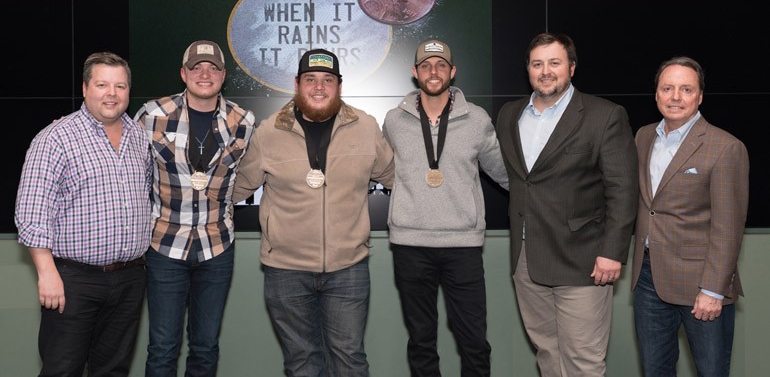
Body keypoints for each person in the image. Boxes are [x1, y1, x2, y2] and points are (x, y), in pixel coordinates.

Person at [232, 48, 395, 376]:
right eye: (310, 79)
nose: (319, 87)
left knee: (349, 359)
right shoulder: (267, 132)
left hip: (348, 268)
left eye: (327, 80)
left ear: (339, 85)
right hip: (285, 270)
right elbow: (236, 188)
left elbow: (395, 176)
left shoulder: (365, 126)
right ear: (297, 83)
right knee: (301, 363)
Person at [495, 32, 638, 376]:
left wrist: (613, 252)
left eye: (554, 63)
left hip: (583, 260)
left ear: (572, 67)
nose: (545, 71)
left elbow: (623, 188)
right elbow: (518, 180)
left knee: (583, 361)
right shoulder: (509, 115)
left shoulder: (603, 115)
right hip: (527, 260)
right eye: (537, 63)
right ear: (528, 69)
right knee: (548, 354)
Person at [15, 52, 152, 376]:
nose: (112, 93)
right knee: (63, 369)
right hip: (73, 280)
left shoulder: (139, 138)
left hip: (130, 278)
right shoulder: (55, 138)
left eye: (120, 86)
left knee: (113, 370)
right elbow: (31, 210)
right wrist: (47, 273)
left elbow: (144, 197)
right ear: (85, 88)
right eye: (102, 84)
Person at [382, 39, 509, 377]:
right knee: (421, 341)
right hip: (410, 244)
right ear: (415, 73)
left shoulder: (477, 119)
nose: (433, 72)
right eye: (426, 66)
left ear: (452, 72)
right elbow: (377, 167)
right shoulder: (394, 121)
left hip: (462, 245)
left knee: (474, 341)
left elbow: (504, 174)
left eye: (440, 65)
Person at [134, 40, 256, 377]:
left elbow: (248, 174)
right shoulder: (151, 115)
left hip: (217, 246)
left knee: (205, 347)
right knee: (162, 348)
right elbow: (125, 162)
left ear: (223, 76)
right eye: (197, 67)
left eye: (212, 68)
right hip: (164, 245)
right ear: (183, 73)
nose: (205, 74)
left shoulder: (243, 120)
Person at [630, 56, 749, 377]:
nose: (675, 97)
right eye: (667, 88)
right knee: (655, 371)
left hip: (701, 285)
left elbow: (729, 227)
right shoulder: (643, 138)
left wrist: (712, 291)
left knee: (711, 372)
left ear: (699, 96)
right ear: (656, 94)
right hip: (648, 280)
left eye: (686, 89)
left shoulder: (725, 147)